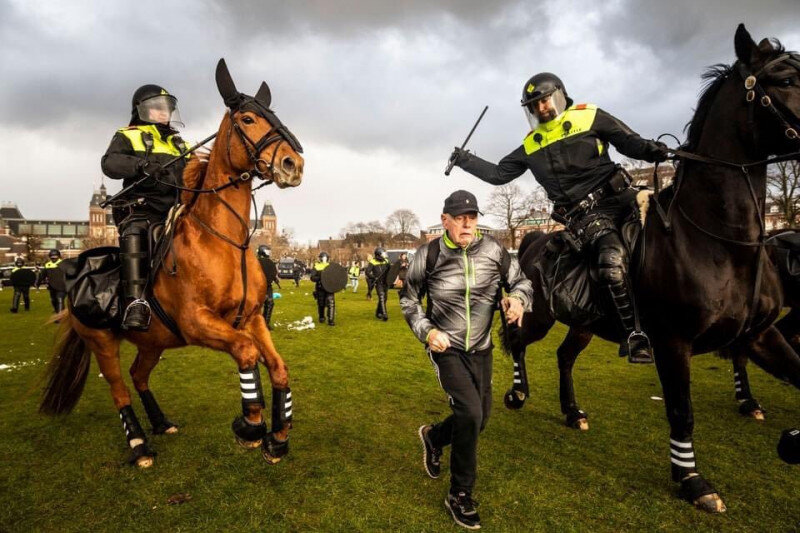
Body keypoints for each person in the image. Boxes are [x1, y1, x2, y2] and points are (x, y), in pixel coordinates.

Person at [449, 73, 667, 364]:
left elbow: (630, 143)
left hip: (625, 198)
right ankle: (634, 335)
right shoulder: (532, 144)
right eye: (533, 106)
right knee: (611, 258)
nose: (540, 109)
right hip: (587, 216)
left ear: (559, 95)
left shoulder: (589, 116)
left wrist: (655, 150)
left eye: (543, 101)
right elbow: (499, 174)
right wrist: (465, 159)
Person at [401, 190, 533, 530]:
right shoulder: (428, 254)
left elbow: (520, 281)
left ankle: (433, 437)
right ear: (445, 220)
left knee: (481, 418)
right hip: (446, 348)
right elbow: (409, 299)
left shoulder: (493, 250)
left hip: (482, 348)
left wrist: (517, 300)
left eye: (472, 217)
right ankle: (460, 494)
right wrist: (427, 332)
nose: (467, 224)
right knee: (471, 413)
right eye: (460, 218)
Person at [101, 84, 189, 331]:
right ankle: (137, 302)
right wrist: (141, 165)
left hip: (176, 207)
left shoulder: (179, 143)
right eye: (157, 108)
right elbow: (110, 163)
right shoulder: (127, 135)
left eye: (167, 109)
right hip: (143, 209)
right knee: (136, 231)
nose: (164, 113)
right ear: (141, 110)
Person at [257, 245, 280, 330]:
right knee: (257, 305)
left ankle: (265, 324)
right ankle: (255, 323)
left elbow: (272, 272)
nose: (268, 253)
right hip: (258, 286)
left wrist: (275, 279)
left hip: (268, 286)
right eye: (267, 251)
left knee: (270, 303)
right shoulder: (256, 262)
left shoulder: (270, 262)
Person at [310, 252, 335, 326]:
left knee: (331, 303)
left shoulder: (331, 266)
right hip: (320, 287)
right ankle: (321, 317)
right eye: (322, 258)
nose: (324, 259)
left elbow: (335, 276)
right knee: (321, 303)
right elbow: (312, 277)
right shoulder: (316, 266)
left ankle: (331, 320)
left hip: (330, 288)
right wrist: (321, 277)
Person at [38, 249, 66, 314]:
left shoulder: (63, 264)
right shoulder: (48, 265)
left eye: (55, 256)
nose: (53, 258)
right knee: (54, 300)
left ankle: (59, 317)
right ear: (50, 257)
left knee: (59, 299)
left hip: (62, 286)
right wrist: (37, 283)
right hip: (52, 286)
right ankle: (59, 312)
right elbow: (42, 275)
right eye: (52, 257)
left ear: (58, 256)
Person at [368, 248, 391, 320]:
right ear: (378, 254)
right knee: (381, 296)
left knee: (384, 299)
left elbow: (390, 271)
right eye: (383, 253)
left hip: (385, 282)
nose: (384, 255)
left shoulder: (386, 261)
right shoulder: (372, 262)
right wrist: (374, 277)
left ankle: (378, 313)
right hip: (378, 283)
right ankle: (384, 314)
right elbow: (367, 272)